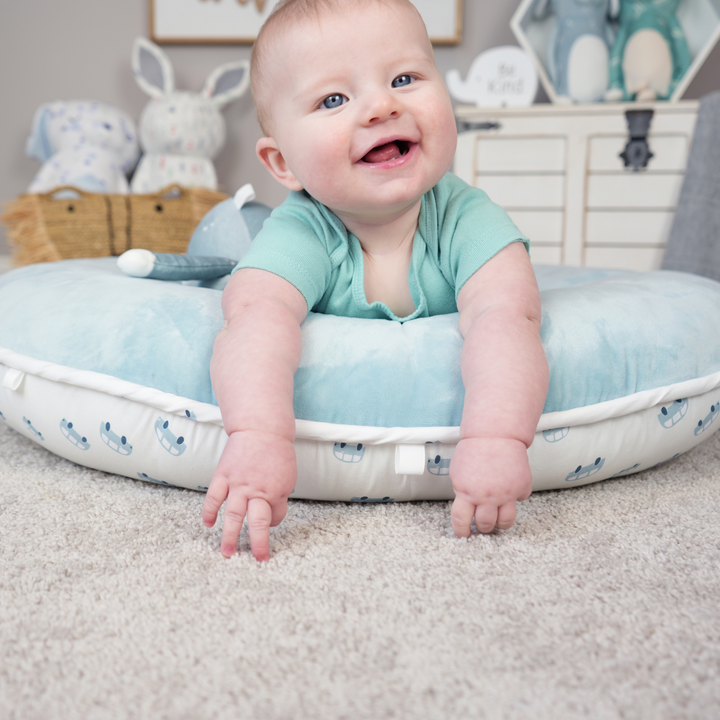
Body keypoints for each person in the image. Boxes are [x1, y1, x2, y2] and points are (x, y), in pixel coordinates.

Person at [202, 0, 549, 561]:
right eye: (333, 99)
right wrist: (258, 438)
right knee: (242, 286)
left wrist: (496, 438)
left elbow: (509, 316)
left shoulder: (466, 217)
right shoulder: (304, 229)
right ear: (283, 164)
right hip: (282, 257)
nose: (382, 106)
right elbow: (254, 318)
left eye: (405, 78)